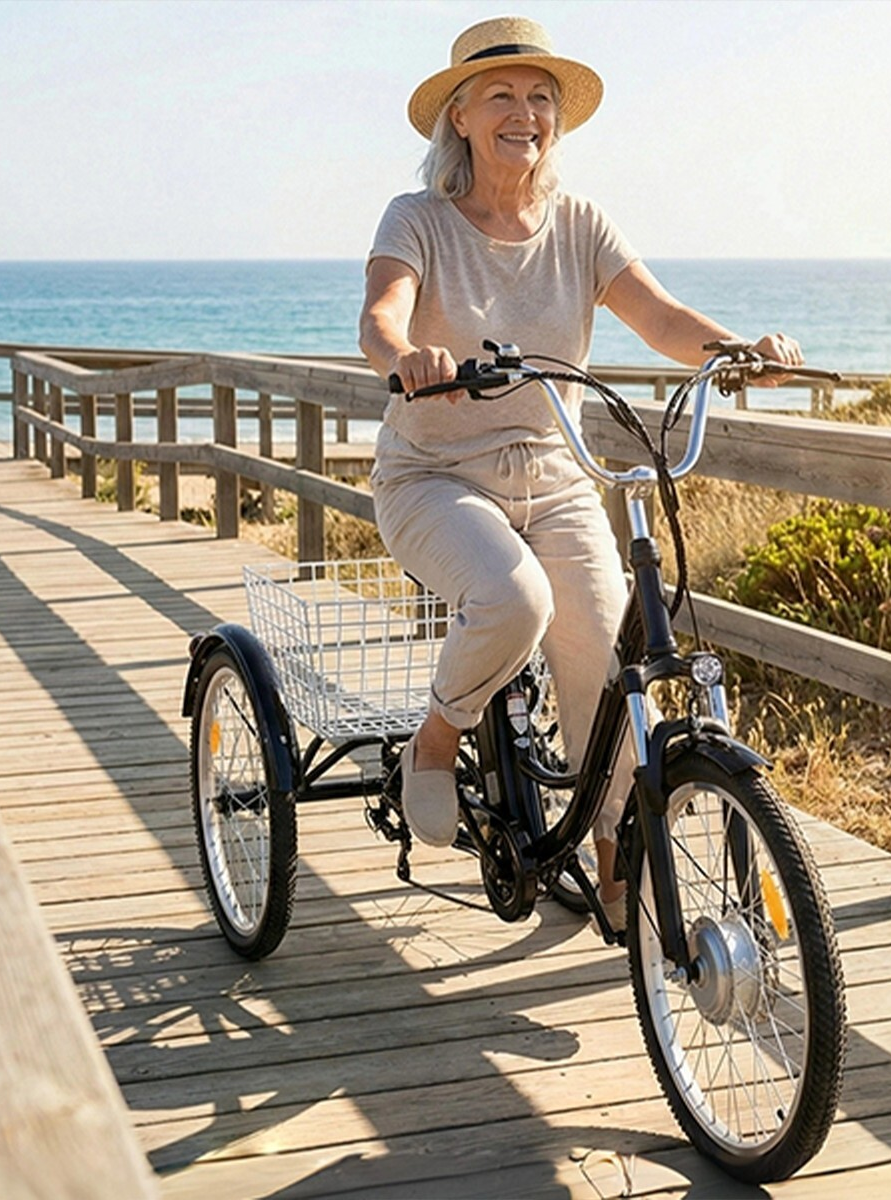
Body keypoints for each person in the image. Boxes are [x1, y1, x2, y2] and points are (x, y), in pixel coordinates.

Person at [358, 14, 802, 930]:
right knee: (513, 601)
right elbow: (381, 315)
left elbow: (663, 317)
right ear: (463, 119)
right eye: (504, 96)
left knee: (607, 665)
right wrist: (406, 354)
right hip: (436, 476)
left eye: (541, 99)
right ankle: (435, 745)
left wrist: (734, 351)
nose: (526, 113)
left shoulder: (581, 225)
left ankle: (614, 860)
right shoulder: (420, 221)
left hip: (555, 477)